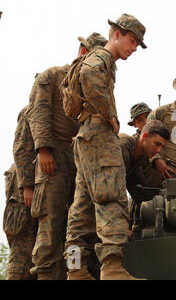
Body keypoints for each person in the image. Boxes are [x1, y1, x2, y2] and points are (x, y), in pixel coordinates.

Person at [64, 14, 147, 280]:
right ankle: (112, 268)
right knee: (112, 197)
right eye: (132, 41)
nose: (133, 48)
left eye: (137, 44)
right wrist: (109, 113)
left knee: (81, 209)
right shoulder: (101, 58)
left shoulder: (99, 59)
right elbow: (89, 76)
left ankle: (75, 270)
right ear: (117, 34)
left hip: (84, 137)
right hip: (99, 136)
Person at [26, 32, 107, 280]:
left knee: (77, 224)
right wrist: (43, 149)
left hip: (81, 157)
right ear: (83, 52)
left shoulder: (91, 83)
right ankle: (46, 275)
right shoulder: (51, 76)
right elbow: (37, 112)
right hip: (54, 156)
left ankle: (74, 270)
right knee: (51, 223)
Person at [3, 106, 38, 280]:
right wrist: (26, 185)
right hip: (23, 186)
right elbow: (21, 147)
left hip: (44, 184)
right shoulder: (33, 110)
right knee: (22, 248)